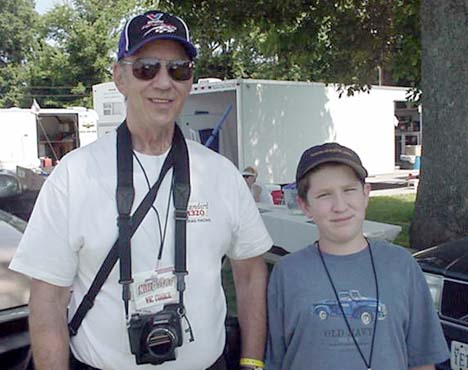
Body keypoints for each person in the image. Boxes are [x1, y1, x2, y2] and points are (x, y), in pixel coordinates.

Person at [10, 10, 272, 370]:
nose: (164, 82)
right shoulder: (74, 175)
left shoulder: (221, 174)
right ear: (120, 77)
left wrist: (252, 361)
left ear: (190, 80)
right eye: (146, 68)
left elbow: (250, 271)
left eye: (178, 69)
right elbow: (48, 300)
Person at [265, 142, 449, 370]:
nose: (340, 206)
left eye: (349, 190)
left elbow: (422, 359)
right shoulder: (287, 273)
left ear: (366, 194)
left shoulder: (402, 265)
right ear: (305, 206)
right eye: (324, 195)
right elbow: (275, 359)